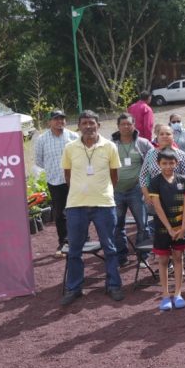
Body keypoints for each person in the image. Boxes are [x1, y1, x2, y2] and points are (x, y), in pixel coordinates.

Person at [60, 110, 124, 305]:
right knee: (75, 250)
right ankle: (74, 288)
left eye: (92, 123)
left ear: (99, 125)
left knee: (110, 247)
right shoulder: (70, 148)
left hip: (104, 204)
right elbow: (68, 175)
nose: (88, 126)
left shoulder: (110, 146)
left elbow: (115, 176)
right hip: (76, 205)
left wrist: (101, 192)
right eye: (84, 123)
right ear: (78, 126)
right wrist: (81, 192)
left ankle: (113, 285)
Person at [147, 148, 185, 311]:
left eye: (171, 163)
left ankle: (178, 293)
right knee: (163, 261)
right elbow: (157, 208)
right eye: (164, 163)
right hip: (162, 229)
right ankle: (165, 295)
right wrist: (169, 229)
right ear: (159, 164)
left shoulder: (183, 180)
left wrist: (184, 226)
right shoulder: (155, 182)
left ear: (176, 163)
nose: (168, 166)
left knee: (178, 258)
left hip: (180, 228)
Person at [33, 109, 78, 256]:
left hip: (74, 180)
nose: (60, 121)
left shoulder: (73, 136)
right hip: (55, 181)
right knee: (60, 213)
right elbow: (39, 160)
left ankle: (81, 239)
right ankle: (63, 242)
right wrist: (53, 169)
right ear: (49, 122)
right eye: (56, 119)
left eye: (62, 119)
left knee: (79, 210)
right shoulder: (42, 139)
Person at [111, 113, 152, 267]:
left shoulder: (143, 144)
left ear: (134, 125)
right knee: (117, 225)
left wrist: (146, 188)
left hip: (137, 190)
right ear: (118, 126)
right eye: (123, 124)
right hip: (116, 192)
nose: (126, 127)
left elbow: (151, 166)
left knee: (142, 224)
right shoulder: (111, 145)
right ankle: (122, 257)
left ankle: (143, 256)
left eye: (129, 124)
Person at [140, 124, 185, 199]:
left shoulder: (181, 155)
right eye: (161, 134)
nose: (165, 136)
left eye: (168, 134)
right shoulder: (150, 153)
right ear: (157, 137)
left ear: (173, 136)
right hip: (154, 197)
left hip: (176, 197)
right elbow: (143, 176)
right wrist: (146, 195)